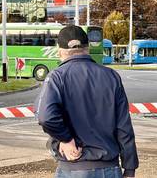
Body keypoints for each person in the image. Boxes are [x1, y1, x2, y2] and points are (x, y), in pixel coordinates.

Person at [35, 25, 138, 178]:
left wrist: (66, 139)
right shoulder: (111, 77)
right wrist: (129, 168)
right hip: (109, 168)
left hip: (72, 168)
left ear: (59, 50)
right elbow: (124, 127)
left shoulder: (57, 77)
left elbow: (45, 117)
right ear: (87, 47)